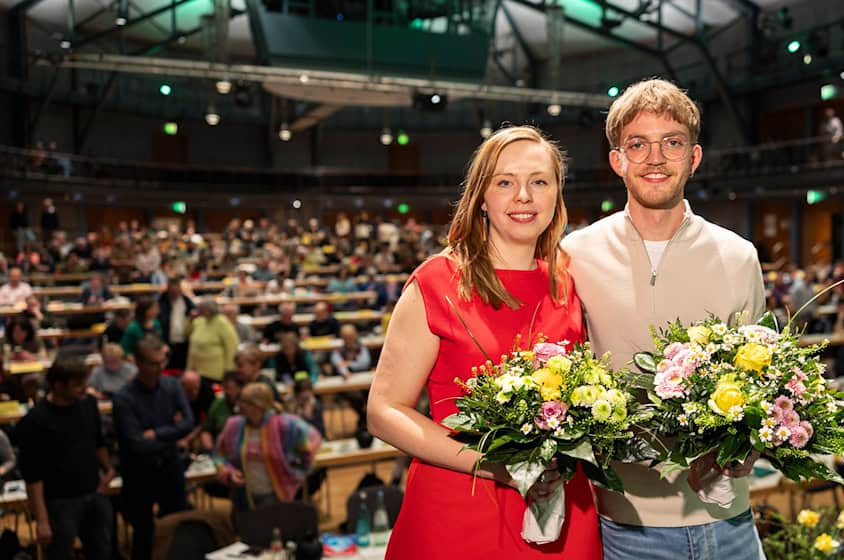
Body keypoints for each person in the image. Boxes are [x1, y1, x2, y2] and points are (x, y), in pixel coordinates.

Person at [367, 125, 601, 559]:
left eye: (539, 182)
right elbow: (383, 412)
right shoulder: (436, 282)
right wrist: (497, 467)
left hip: (559, 512)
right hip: (459, 509)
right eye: (505, 182)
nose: (524, 197)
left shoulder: (570, 282)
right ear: (481, 197)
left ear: (556, 195)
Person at [561, 79, 764, 560]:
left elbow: (762, 385)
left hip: (729, 523)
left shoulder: (739, 256)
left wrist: (749, 445)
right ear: (617, 161)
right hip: (628, 527)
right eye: (638, 144)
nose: (655, 158)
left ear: (693, 158)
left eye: (672, 142)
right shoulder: (575, 255)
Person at [17, 354, 116, 560]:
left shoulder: (88, 404)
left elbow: (98, 442)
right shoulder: (35, 421)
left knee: (103, 552)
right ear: (58, 386)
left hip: (94, 492)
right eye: (78, 384)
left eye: (85, 382)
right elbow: (32, 475)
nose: (84, 388)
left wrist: (109, 470)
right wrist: (42, 520)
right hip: (59, 502)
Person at [112, 335, 193, 560]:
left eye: (162, 362)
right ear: (137, 362)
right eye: (153, 363)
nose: (159, 368)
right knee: (144, 534)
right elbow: (136, 443)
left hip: (171, 467)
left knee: (177, 526)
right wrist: (172, 433)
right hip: (140, 473)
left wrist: (157, 433)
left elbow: (188, 423)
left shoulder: (172, 385)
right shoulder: (123, 398)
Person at [214, 382, 321, 512]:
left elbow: (313, 439)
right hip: (243, 497)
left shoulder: (285, 424)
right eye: (240, 400)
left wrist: (298, 472)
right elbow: (219, 454)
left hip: (276, 495)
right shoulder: (233, 426)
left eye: (245, 402)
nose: (239, 405)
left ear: (258, 406)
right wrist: (228, 471)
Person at [187, 299, 239, 382]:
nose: (199, 311)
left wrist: (228, 369)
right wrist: (190, 320)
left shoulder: (222, 322)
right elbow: (187, 333)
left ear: (210, 310)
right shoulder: (199, 320)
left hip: (214, 373)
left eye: (202, 309)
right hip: (196, 370)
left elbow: (232, 346)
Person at [159, 277, 196, 370]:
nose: (175, 293)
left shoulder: (186, 301)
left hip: (183, 342)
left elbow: (194, 311)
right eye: (172, 291)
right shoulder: (161, 301)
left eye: (177, 290)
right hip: (167, 341)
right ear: (168, 289)